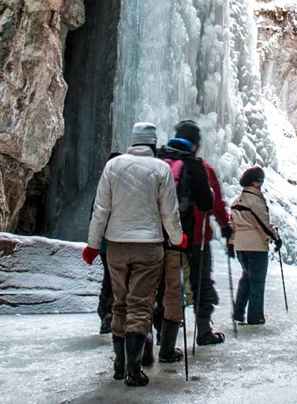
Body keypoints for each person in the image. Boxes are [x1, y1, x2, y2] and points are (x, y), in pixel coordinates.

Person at [83, 123, 187, 387]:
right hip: (148, 246)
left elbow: (101, 209)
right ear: (152, 143)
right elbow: (169, 213)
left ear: (133, 142)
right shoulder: (161, 168)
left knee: (120, 303)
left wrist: (93, 245)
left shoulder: (113, 166)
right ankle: (133, 369)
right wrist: (177, 239)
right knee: (141, 305)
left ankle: (118, 365)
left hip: (116, 245)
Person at [153, 126, 214, 362]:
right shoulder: (194, 165)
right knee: (173, 293)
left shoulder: (157, 158)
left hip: (149, 238)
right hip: (177, 241)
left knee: (150, 292)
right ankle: (167, 348)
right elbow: (206, 203)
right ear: (195, 144)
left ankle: (149, 341)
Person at [167, 119, 231, 346]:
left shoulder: (162, 164)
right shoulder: (202, 169)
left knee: (167, 285)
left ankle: (163, 335)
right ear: (195, 144)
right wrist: (225, 227)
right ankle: (203, 329)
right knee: (201, 282)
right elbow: (215, 204)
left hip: (168, 238)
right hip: (197, 238)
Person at [228, 166, 281, 325]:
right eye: (261, 181)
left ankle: (238, 312)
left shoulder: (237, 201)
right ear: (256, 182)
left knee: (246, 279)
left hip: (240, 246)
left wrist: (231, 243)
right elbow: (263, 224)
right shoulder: (256, 201)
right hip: (256, 246)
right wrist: (276, 238)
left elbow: (233, 226)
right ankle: (255, 317)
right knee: (257, 282)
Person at [96, 152, 122, 335]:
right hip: (116, 241)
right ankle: (110, 312)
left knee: (109, 277)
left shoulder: (103, 186)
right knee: (116, 279)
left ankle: (104, 310)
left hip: (105, 243)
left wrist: (94, 241)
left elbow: (96, 214)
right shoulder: (120, 187)